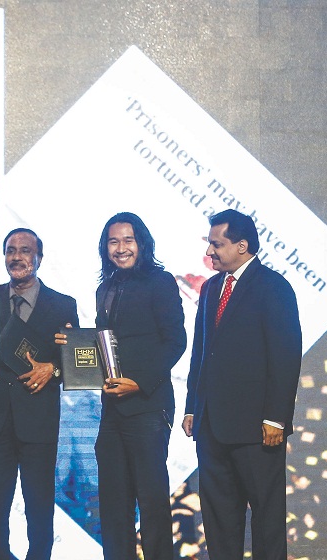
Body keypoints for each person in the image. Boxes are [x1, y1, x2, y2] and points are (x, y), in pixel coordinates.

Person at [182, 209, 302, 560]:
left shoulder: (274, 287)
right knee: (219, 521)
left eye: (217, 245)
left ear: (242, 245)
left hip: (257, 430)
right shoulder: (210, 289)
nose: (210, 253)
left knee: (266, 520)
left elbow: (285, 356)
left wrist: (276, 418)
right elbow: (201, 352)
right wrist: (192, 407)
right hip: (211, 427)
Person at [0, 228, 79, 560]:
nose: (17, 256)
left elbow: (74, 361)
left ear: (38, 258)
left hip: (38, 421)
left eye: (25, 250)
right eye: (10, 250)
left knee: (40, 508)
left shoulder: (63, 305)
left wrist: (54, 369)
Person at [90, 212, 186, 560]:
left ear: (141, 243)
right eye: (113, 241)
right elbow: (105, 344)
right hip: (112, 409)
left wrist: (139, 383)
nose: (121, 248)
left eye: (128, 240)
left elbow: (176, 341)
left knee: (152, 501)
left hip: (148, 405)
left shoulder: (160, 282)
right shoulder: (105, 288)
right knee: (114, 506)